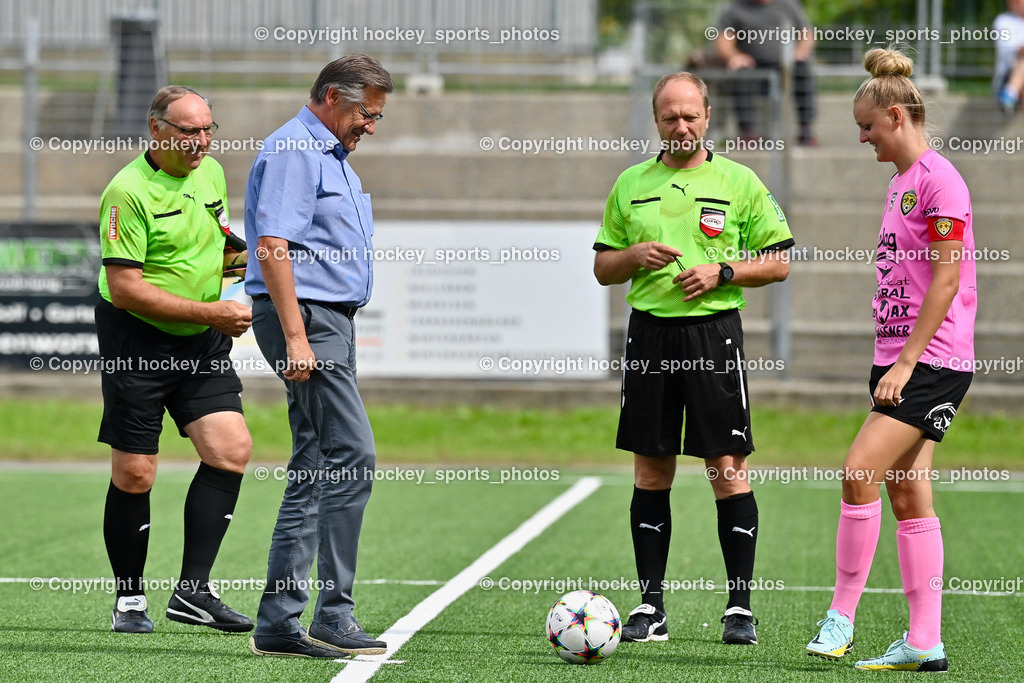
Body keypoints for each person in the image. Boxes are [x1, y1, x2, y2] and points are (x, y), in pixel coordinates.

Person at [593, 72, 794, 646]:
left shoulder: (739, 180)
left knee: (726, 469)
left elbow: (779, 261)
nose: (680, 126)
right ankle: (651, 606)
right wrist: (632, 254)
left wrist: (724, 271)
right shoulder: (631, 183)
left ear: (708, 115)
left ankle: (739, 608)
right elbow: (603, 267)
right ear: (655, 121)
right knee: (651, 468)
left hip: (713, 336)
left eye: (690, 116)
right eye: (668, 118)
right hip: (650, 337)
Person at [806, 48, 976, 673]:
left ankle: (840, 617)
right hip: (898, 357)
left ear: (898, 117)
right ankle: (924, 640)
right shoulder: (900, 183)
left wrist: (905, 365)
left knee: (858, 471)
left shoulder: (941, 180)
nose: (862, 138)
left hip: (930, 361)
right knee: (907, 493)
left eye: (868, 127)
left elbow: (945, 281)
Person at [244, 54, 394, 658]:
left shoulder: (327, 155)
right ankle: (333, 613)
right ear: (333, 97)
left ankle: (279, 623)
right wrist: (298, 337)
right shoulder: (295, 152)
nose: (371, 127)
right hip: (306, 320)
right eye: (366, 114)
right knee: (353, 455)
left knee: (314, 464)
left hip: (327, 321)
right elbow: (274, 246)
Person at [96, 85, 255, 634]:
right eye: (189, 131)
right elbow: (125, 289)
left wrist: (250, 265)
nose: (202, 141)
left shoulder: (209, 173)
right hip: (136, 342)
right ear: (156, 128)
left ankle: (192, 592)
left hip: (199, 341)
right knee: (136, 473)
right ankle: (130, 599)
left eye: (208, 129)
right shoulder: (127, 191)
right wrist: (212, 312)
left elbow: (218, 241)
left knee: (230, 450)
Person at [715, 0, 817, 145]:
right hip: (752, 67)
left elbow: (806, 33)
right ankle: (747, 133)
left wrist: (800, 52)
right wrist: (734, 56)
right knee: (741, 73)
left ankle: (806, 130)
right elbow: (723, 42)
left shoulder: (788, 5)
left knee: (802, 69)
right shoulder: (736, 8)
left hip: (784, 67)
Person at [993, 0, 1024, 115]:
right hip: (1008, 74)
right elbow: (1008, 50)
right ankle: (1010, 91)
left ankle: (1010, 94)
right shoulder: (1003, 21)